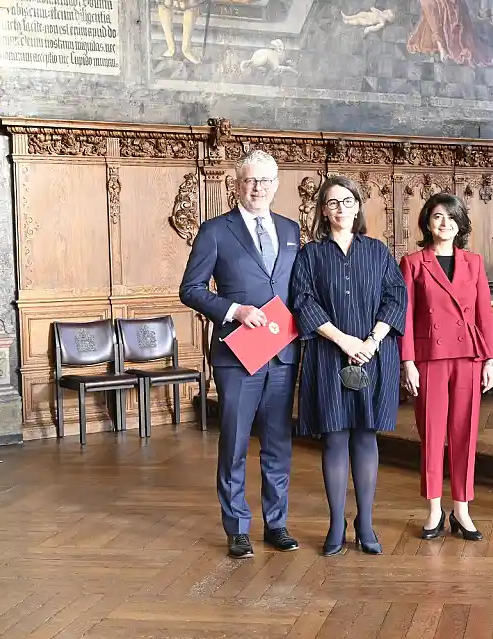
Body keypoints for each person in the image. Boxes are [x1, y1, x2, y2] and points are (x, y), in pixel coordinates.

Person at [179, 150, 300, 559]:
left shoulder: (291, 230)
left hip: (282, 353)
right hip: (237, 356)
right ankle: (237, 527)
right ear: (237, 185)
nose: (258, 188)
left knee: (278, 444)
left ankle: (277, 524)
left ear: (276, 185)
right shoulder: (215, 231)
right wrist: (234, 310)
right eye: (250, 181)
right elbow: (191, 289)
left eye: (265, 181)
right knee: (233, 442)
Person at [289, 174, 407, 557]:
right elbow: (303, 301)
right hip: (328, 354)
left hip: (373, 356)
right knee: (335, 436)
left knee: (366, 435)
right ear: (323, 211)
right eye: (333, 203)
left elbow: (396, 297)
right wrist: (343, 340)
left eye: (348, 201)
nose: (341, 209)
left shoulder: (377, 251)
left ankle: (366, 522)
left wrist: (370, 342)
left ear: (358, 206)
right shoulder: (309, 255)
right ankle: (337, 521)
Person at [399, 193, 493, 541]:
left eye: (451, 217)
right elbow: (405, 317)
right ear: (427, 222)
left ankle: (462, 509)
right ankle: (433, 509)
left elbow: (485, 312)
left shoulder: (473, 262)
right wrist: (407, 361)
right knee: (431, 435)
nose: (444, 223)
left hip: (469, 356)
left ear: (461, 224)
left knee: (464, 434)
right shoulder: (412, 263)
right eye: (438, 216)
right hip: (429, 358)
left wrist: (490, 359)